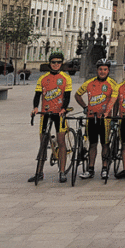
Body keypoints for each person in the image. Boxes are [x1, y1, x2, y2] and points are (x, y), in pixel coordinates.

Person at [29, 51, 73, 183]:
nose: (56, 64)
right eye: (53, 62)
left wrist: (64, 108)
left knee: (61, 141)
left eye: (59, 62)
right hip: (46, 113)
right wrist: (35, 107)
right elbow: (37, 95)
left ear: (61, 64)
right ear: (50, 63)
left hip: (59, 114)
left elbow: (67, 96)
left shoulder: (66, 78)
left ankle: (62, 172)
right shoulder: (43, 78)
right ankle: (39, 172)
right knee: (43, 143)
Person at [73, 58, 117, 180]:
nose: (102, 72)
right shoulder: (89, 83)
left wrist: (110, 114)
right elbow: (77, 95)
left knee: (105, 144)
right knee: (92, 144)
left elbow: (114, 100)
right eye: (100, 69)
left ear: (108, 70)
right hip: (92, 117)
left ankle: (104, 168)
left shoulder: (112, 84)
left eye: (105, 69)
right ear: (97, 70)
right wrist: (85, 107)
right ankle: (90, 169)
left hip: (105, 119)